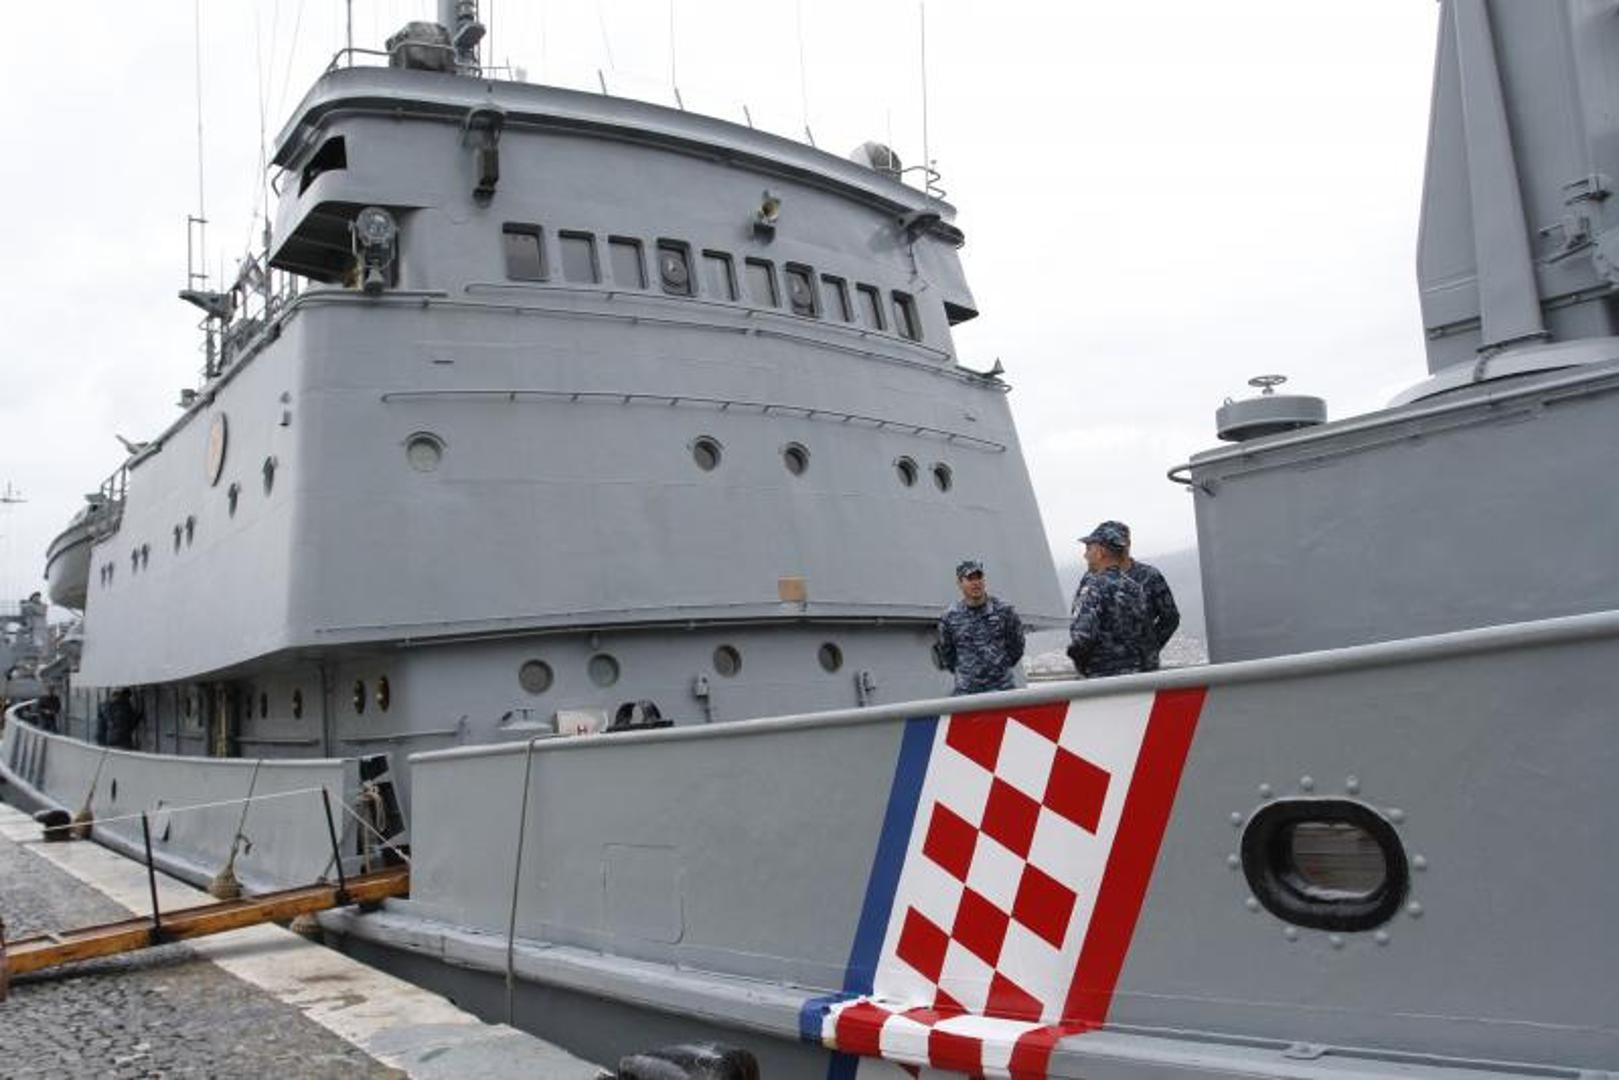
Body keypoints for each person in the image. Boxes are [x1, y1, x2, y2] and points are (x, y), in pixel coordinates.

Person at [1094, 519, 1180, 670]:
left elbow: (1170, 618)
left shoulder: (1150, 576)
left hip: (1141, 669)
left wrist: (1148, 649)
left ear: (1127, 544)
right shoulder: (1095, 579)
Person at [1068, 523, 1149, 677]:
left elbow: (1082, 637)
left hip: (1102, 678)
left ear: (1101, 552)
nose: (1085, 555)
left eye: (1089, 549)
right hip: (1135, 677)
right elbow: (1146, 636)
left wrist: (1082, 667)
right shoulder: (1135, 588)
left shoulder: (1093, 588)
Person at [937, 559, 1026, 695]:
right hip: (967, 693)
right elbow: (947, 655)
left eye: (979, 577)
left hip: (1002, 690)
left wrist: (999, 667)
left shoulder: (1004, 611)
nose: (976, 583)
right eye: (970, 578)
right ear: (960, 583)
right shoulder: (949, 617)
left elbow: (1017, 647)